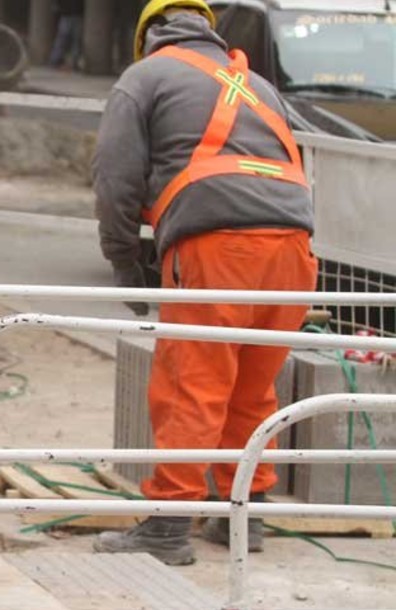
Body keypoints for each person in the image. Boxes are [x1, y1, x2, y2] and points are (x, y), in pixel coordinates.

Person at [90, 0, 316, 566]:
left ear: (148, 36)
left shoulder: (144, 78)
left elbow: (115, 180)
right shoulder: (258, 85)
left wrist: (125, 263)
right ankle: (246, 513)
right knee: (253, 385)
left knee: (192, 382)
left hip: (218, 245)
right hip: (294, 246)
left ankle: (168, 526)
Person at [47, 0, 85, 70]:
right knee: (63, 39)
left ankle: (74, 62)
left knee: (75, 40)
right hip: (67, 15)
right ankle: (55, 60)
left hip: (75, 15)